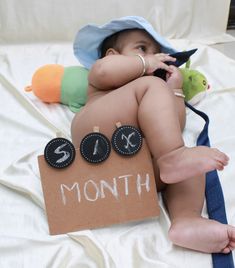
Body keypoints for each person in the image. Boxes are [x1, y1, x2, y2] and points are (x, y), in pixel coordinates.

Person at [71, 16, 235, 253]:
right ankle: (173, 157)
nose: (156, 57)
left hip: (136, 169)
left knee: (190, 167)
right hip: (94, 135)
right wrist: (145, 64)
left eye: (158, 53)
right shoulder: (104, 75)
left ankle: (186, 220)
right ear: (112, 54)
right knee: (157, 100)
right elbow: (104, 71)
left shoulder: (153, 90)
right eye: (142, 48)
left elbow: (173, 127)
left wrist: (175, 91)